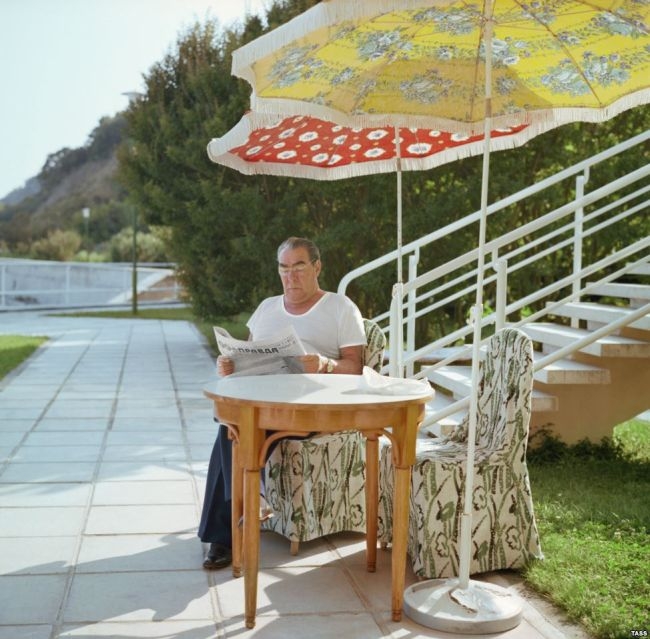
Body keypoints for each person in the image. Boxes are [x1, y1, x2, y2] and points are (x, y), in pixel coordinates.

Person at [199, 236, 366, 569]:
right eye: (284, 268)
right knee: (233, 427)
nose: (291, 276)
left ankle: (225, 535)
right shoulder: (267, 307)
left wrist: (325, 364)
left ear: (317, 267)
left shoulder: (340, 307)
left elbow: (357, 367)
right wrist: (230, 365)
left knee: (234, 431)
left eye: (299, 266)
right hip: (266, 405)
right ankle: (246, 508)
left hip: (314, 410)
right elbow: (248, 354)